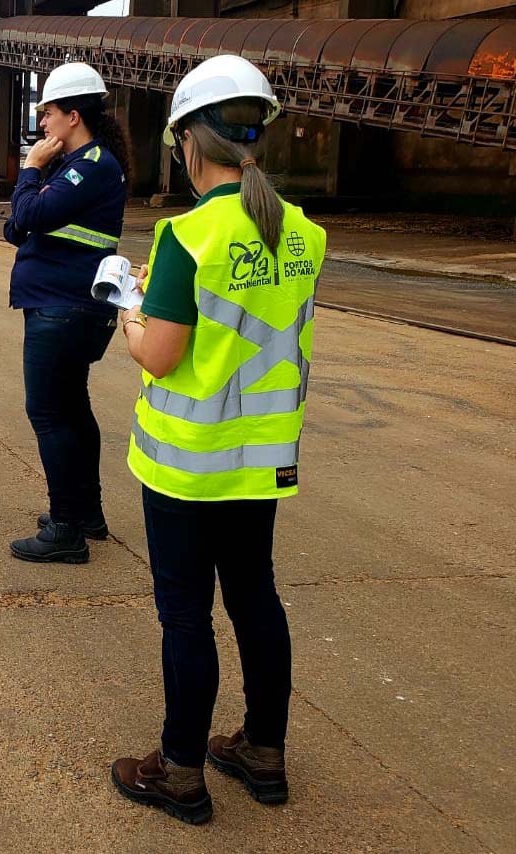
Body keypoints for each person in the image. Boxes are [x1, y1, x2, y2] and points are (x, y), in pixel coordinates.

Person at [109, 55, 327, 825]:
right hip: (263, 459)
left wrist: (128, 309)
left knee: (186, 616)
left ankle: (179, 773)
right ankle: (263, 752)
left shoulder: (187, 233)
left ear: (187, 143)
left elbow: (159, 354)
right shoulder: (300, 232)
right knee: (255, 599)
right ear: (256, 136)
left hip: (187, 466)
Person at [4, 63, 130, 564]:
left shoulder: (90, 165)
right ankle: (86, 513)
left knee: (49, 413)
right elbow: (19, 224)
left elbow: (29, 215)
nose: (43, 125)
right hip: (68, 306)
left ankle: (65, 529)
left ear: (73, 116)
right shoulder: (79, 166)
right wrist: (30, 196)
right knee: (73, 409)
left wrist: (31, 168)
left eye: (48, 113)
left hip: (63, 307)